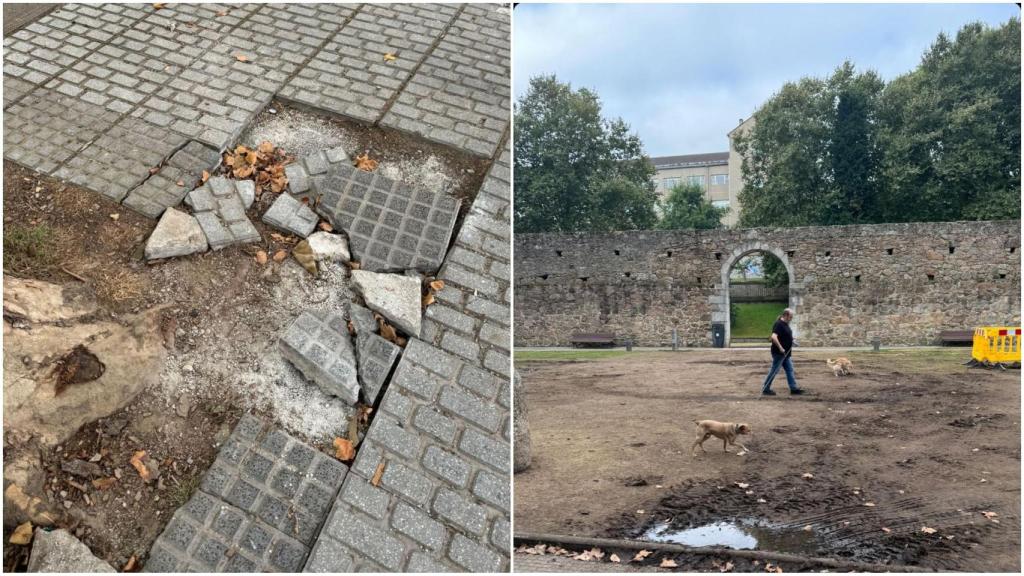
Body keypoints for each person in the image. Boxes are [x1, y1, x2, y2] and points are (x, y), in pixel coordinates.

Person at [761, 308, 805, 396]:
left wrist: (792, 341)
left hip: (786, 353)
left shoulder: (786, 324)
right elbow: (774, 337)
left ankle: (793, 388)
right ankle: (765, 389)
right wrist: (781, 348)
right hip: (779, 353)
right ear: (785, 315)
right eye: (790, 317)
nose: (791, 318)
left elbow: (786, 336)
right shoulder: (779, 324)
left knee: (789, 369)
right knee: (774, 370)